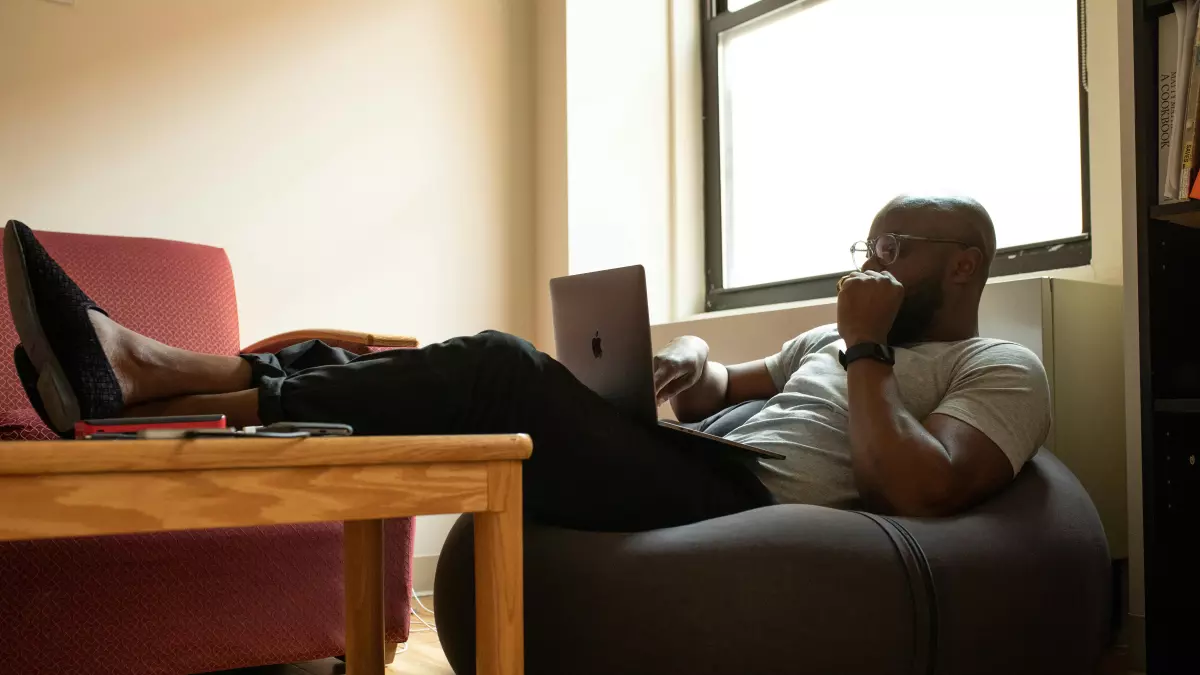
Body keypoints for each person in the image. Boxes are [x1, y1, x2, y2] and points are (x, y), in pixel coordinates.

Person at [3, 195, 1048, 532]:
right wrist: (687, 361)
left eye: (893, 251)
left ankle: (148, 374)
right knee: (432, 368)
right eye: (867, 245)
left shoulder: (1000, 370)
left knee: (496, 370)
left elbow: (914, 487)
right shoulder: (828, 341)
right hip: (700, 457)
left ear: (961, 267)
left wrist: (863, 344)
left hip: (741, 504)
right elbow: (729, 390)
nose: (869, 264)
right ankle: (151, 379)